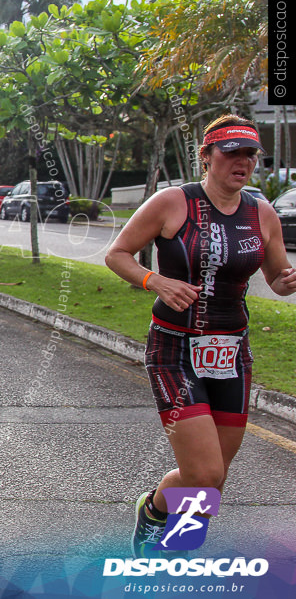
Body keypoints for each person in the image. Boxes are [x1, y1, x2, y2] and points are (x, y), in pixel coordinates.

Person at [105, 114, 296, 558]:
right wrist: (156, 281)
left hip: (232, 353)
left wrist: (287, 282)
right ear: (206, 156)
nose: (243, 161)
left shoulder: (260, 212)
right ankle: (164, 538)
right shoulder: (172, 202)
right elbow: (117, 255)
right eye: (231, 151)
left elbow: (276, 276)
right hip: (174, 349)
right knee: (205, 471)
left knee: (211, 477)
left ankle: (167, 529)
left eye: (250, 153)